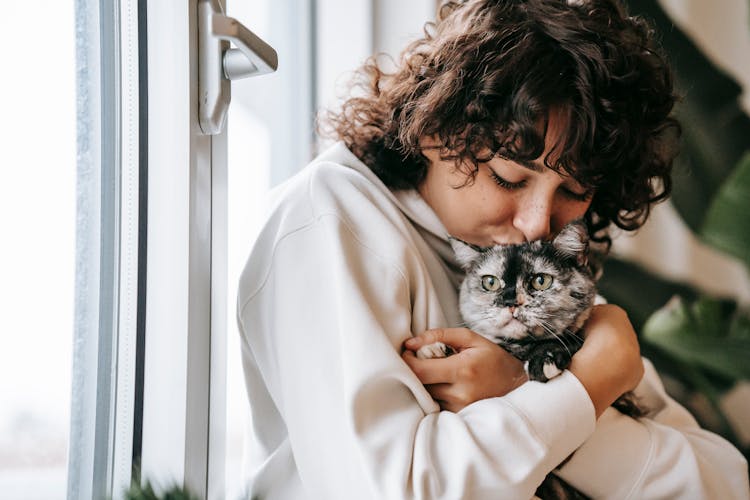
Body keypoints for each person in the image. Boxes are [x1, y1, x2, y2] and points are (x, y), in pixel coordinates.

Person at [236, 0, 749, 498]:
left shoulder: (537, 272)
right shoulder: (331, 220)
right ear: (435, 130)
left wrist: (523, 391)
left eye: (573, 192)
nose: (537, 224)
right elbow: (397, 490)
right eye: (508, 179)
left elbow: (722, 487)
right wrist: (584, 389)